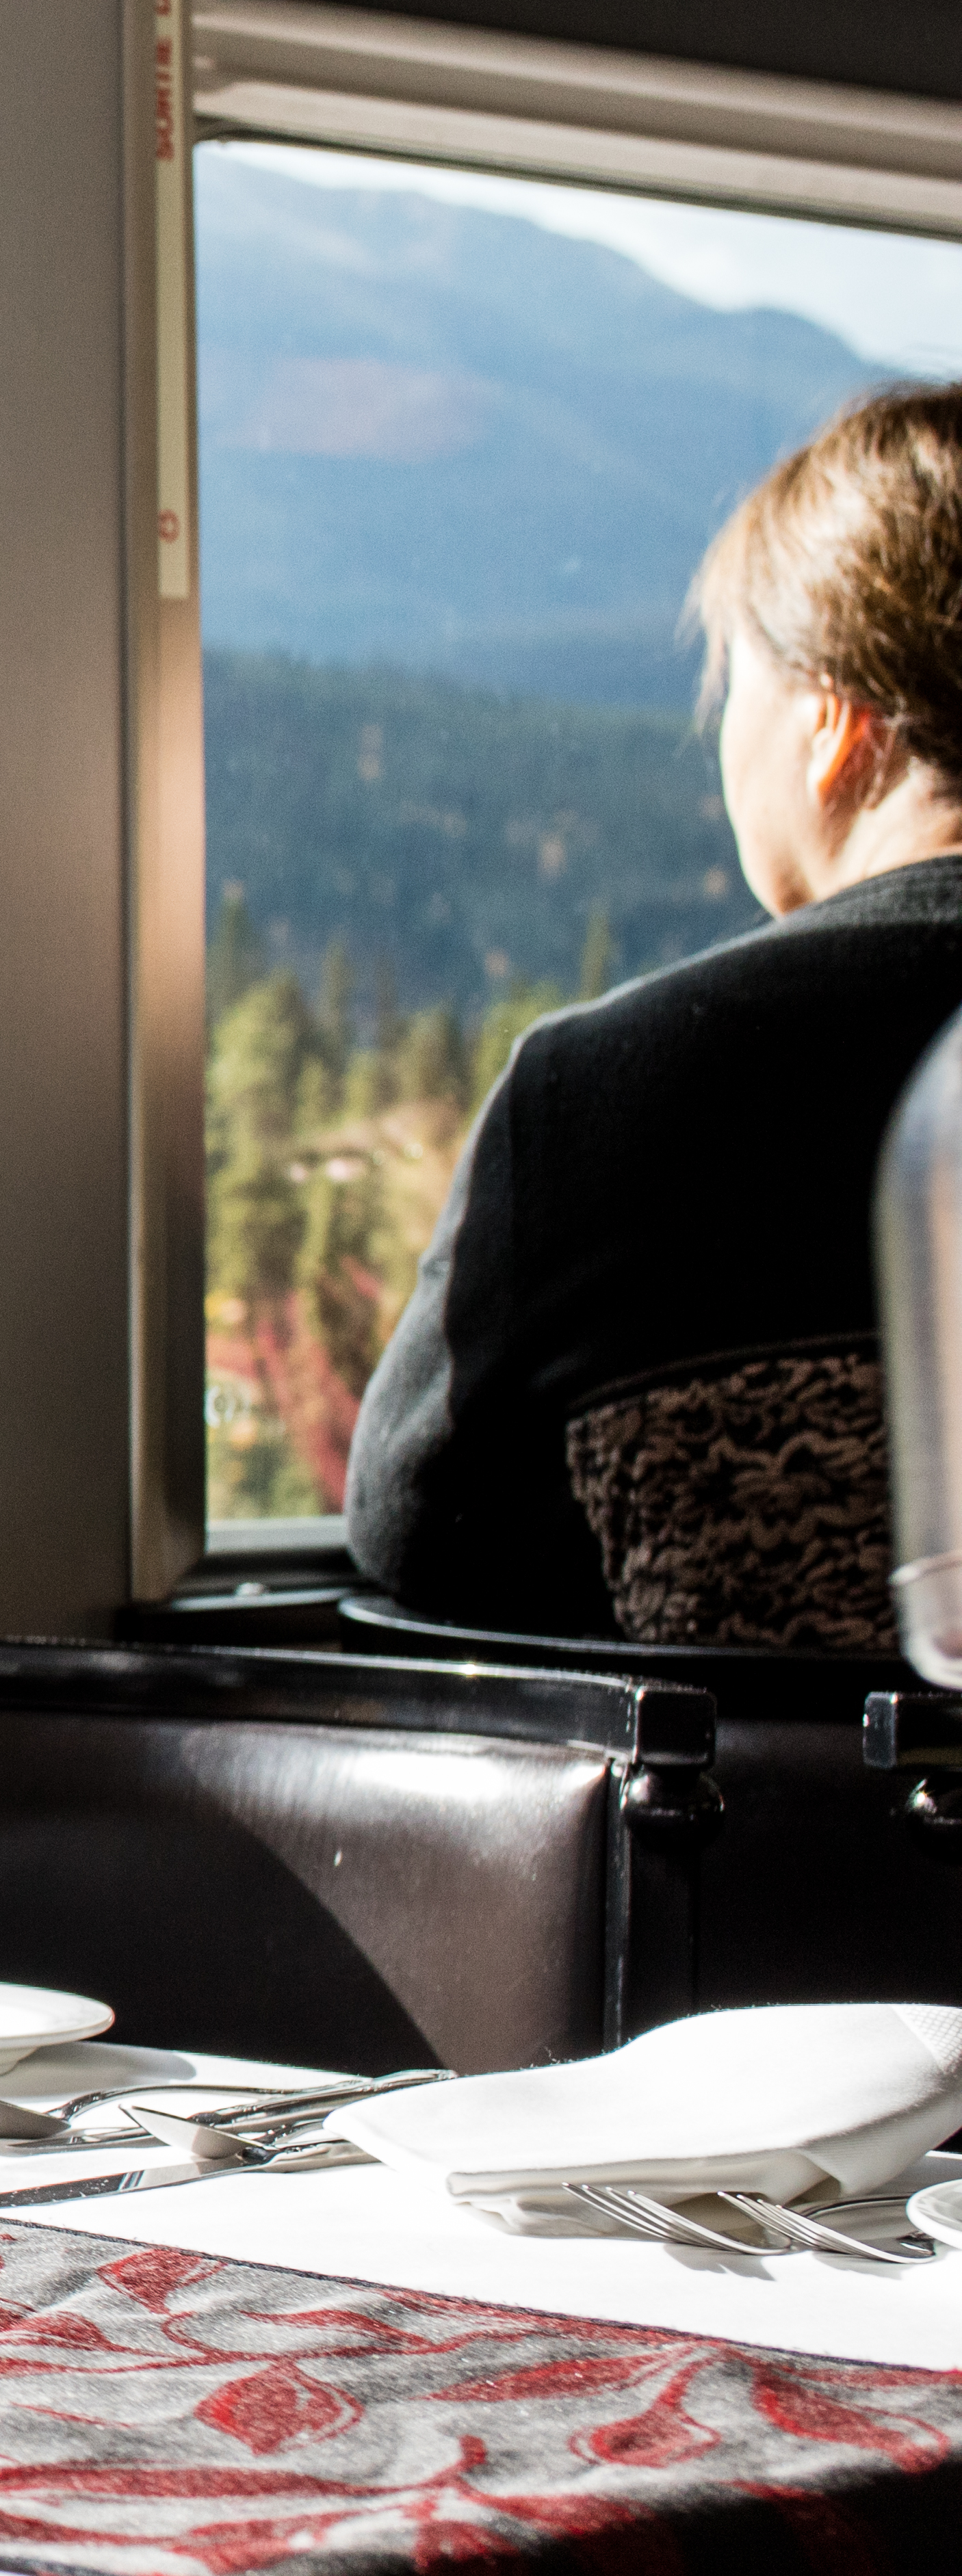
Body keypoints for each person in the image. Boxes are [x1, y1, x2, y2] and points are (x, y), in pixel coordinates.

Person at [350, 380, 962, 1648]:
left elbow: (415, 1541)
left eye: (736, 679)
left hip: (773, 1845)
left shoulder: (603, 1098)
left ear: (836, 726)